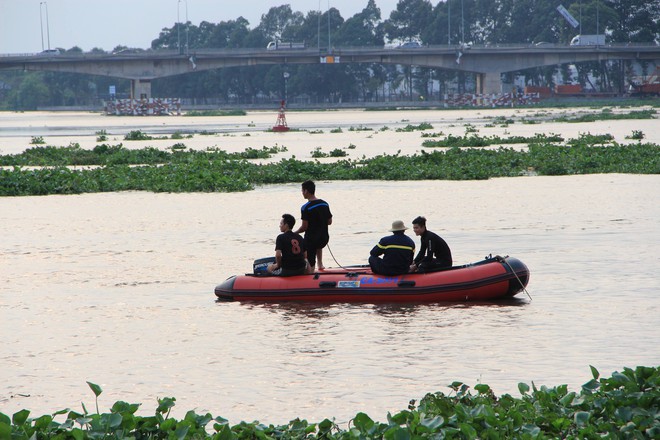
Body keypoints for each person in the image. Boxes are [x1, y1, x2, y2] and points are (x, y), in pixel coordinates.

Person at [294, 180, 333, 271]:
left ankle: (311, 269)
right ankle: (320, 264)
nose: (302, 193)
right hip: (324, 239)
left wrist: (294, 233)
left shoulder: (305, 207)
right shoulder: (324, 203)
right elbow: (329, 222)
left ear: (306, 191)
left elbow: (304, 227)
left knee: (310, 256)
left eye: (302, 191)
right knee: (318, 243)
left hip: (312, 241)